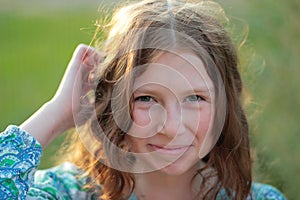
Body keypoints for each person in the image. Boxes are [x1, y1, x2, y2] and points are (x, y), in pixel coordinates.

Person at [0, 0, 286, 199]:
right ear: (114, 104)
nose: (171, 127)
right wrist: (56, 114)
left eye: (195, 98)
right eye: (147, 98)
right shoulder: (73, 192)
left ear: (225, 104)